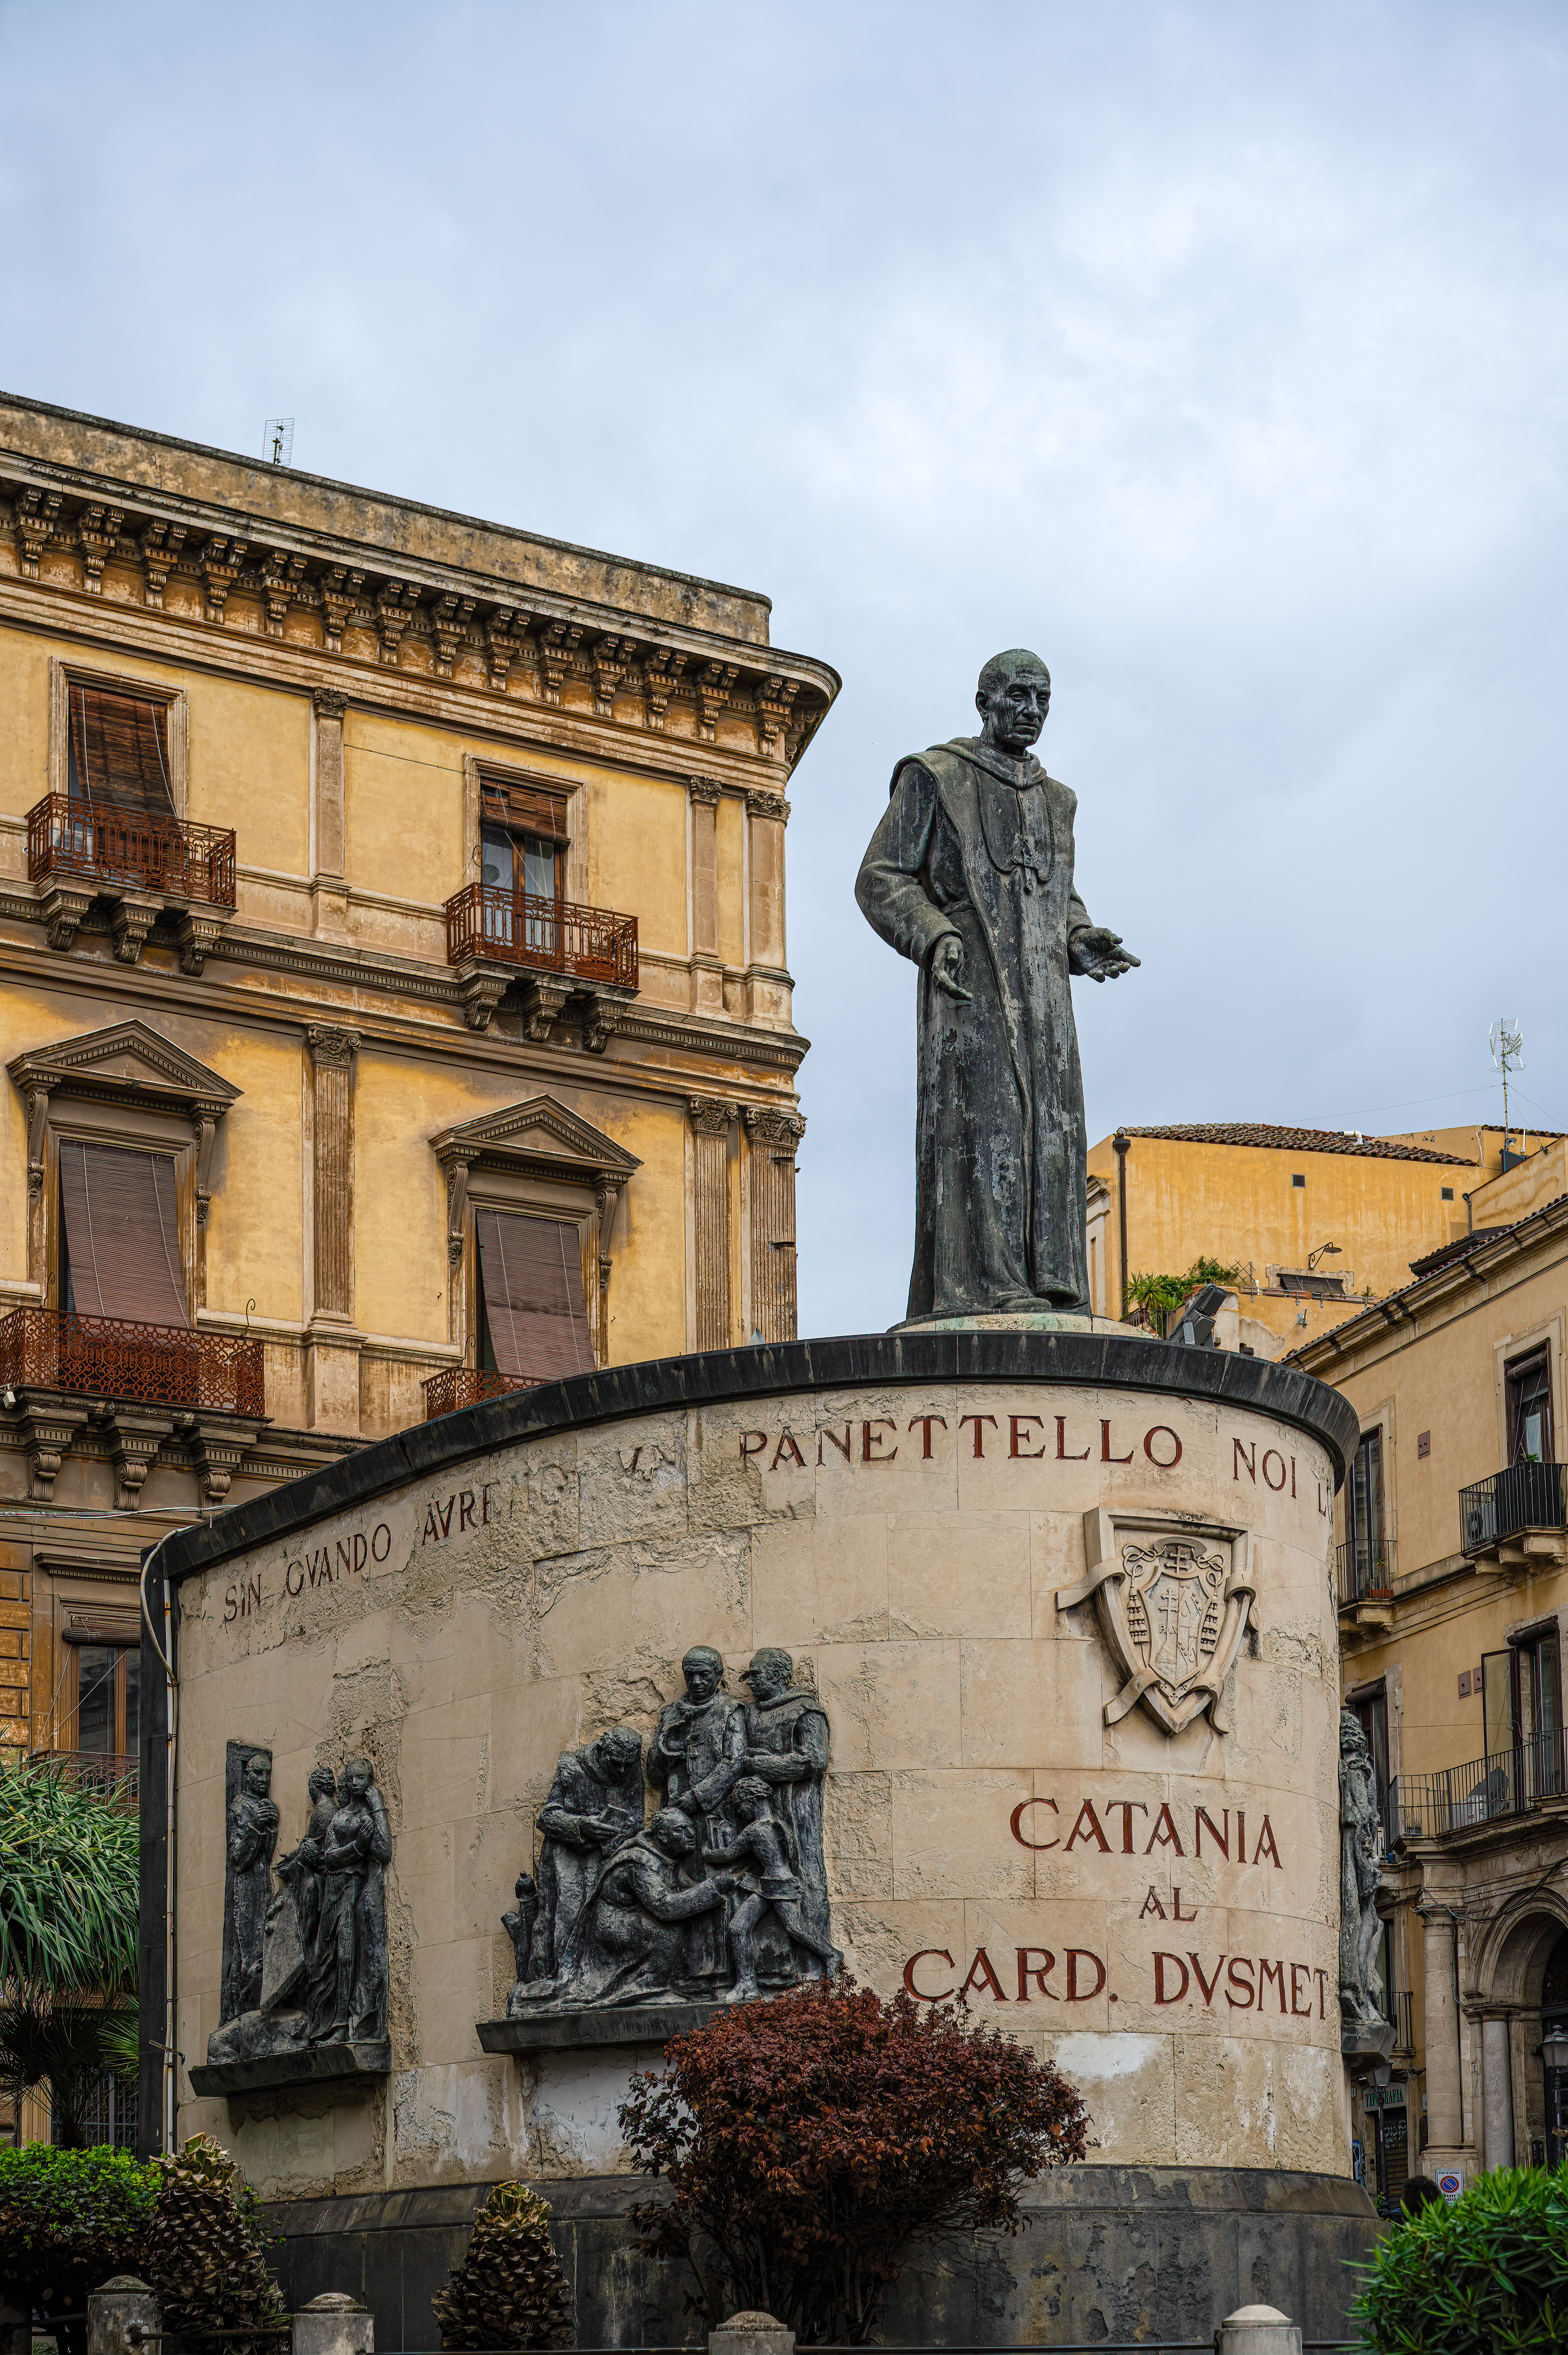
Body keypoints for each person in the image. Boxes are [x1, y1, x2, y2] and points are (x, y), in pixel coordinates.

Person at [855, 649, 1137, 1319]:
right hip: (972, 984)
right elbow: (880, 876)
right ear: (984, 702)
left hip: (1046, 999)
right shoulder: (936, 775)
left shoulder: (1057, 801)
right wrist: (933, 933)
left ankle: (1052, 1283)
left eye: (1043, 699)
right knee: (987, 1129)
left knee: (1052, 1132)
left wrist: (1080, 936)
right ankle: (984, 1285)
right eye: (1017, 696)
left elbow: (1057, 893)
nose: (1031, 710)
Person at [550, 1809, 740, 2008]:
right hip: (614, 1925)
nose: (691, 1834)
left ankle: (696, 1981)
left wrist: (717, 1887)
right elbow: (665, 1907)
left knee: (700, 1914)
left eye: (691, 1828)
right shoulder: (640, 1862)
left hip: (635, 1917)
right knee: (668, 1931)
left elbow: (682, 1888)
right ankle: (648, 1989)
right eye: (681, 1830)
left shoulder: (664, 1854)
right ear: (662, 1836)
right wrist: (714, 1887)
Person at [647, 1646, 746, 1977]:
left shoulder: (731, 1710)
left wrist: (698, 1798)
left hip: (716, 1814)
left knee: (717, 1881)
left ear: (719, 1676)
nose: (698, 1682)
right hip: (676, 1816)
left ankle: (721, 1969)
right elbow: (654, 1773)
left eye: (705, 1675)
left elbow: (734, 1762)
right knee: (680, 1885)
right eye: (691, 1675)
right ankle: (689, 1968)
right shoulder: (671, 1715)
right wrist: (667, 1749)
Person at [704, 1776, 840, 2000]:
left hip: (779, 1885)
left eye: (740, 1805)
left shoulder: (756, 1830)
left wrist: (707, 1852)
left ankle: (831, 1955)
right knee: (738, 1927)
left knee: (795, 1927)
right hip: (768, 1885)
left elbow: (727, 1854)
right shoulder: (778, 1824)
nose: (739, 1811)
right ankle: (747, 1986)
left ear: (752, 1800)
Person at [528, 1727, 644, 1979]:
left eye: (627, 1765)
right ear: (602, 1750)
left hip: (607, 1855)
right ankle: (560, 1978)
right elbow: (547, 1817)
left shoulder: (631, 1771)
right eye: (616, 1763)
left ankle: (596, 1979)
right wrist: (581, 1825)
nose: (621, 1771)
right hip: (568, 1856)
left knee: (606, 1918)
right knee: (567, 1916)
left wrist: (612, 1836)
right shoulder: (572, 1767)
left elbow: (637, 1821)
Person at [738, 1648, 831, 1963]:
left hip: (796, 1808)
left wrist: (761, 1765)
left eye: (758, 1675)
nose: (751, 1682)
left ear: (780, 1676)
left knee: (805, 1874)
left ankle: (813, 1962)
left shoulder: (805, 1710)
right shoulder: (748, 1714)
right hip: (755, 1808)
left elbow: (814, 1759)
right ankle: (771, 1964)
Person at [221, 1751, 278, 2021]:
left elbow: (267, 1855)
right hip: (245, 1886)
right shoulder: (238, 1806)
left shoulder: (266, 1805)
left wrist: (272, 1827)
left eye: (268, 1773)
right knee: (246, 1951)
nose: (264, 1779)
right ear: (247, 1775)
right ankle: (238, 2011)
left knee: (261, 1944)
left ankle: (256, 2007)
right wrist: (256, 1825)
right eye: (258, 1773)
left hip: (262, 1881)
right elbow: (238, 1859)